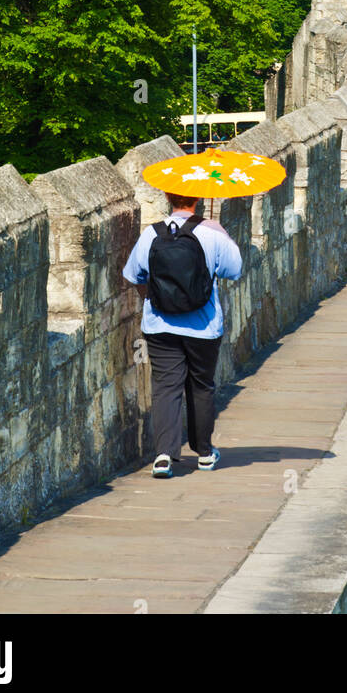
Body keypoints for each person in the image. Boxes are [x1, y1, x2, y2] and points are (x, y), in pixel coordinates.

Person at [123, 191, 243, 479]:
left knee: (166, 387)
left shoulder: (151, 234)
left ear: (167, 196)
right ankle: (203, 453)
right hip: (203, 326)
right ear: (198, 198)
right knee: (201, 385)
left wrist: (152, 297)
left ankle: (164, 456)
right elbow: (234, 270)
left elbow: (132, 275)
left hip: (160, 325)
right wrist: (217, 234)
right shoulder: (212, 231)